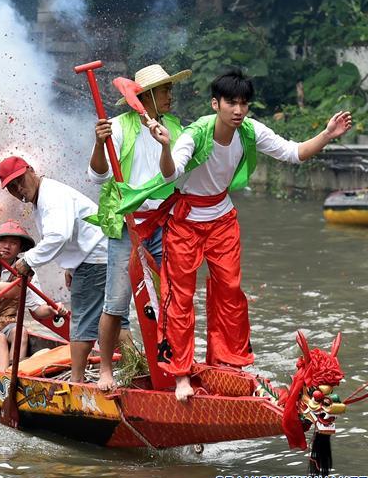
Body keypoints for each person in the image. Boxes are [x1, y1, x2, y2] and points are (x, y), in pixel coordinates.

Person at [138, 68, 353, 402]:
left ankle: (229, 364)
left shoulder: (250, 131)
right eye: (231, 103)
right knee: (179, 297)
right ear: (215, 104)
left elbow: (293, 153)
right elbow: (171, 173)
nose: (238, 110)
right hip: (185, 221)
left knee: (231, 293)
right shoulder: (195, 134)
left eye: (243, 103)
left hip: (223, 219)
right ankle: (180, 374)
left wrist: (326, 135)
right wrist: (165, 147)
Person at [87, 64, 187, 391]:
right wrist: (100, 144)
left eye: (170, 89)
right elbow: (98, 177)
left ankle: (174, 367)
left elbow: (177, 176)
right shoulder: (116, 126)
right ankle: (105, 371)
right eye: (165, 91)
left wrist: (165, 145)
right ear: (146, 97)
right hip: (127, 225)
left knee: (172, 300)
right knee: (115, 302)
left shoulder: (173, 127)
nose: (171, 96)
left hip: (162, 223)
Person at [0, 156, 108, 384]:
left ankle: (76, 383)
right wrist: (71, 266)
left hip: (95, 258)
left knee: (82, 322)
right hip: (95, 256)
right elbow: (70, 232)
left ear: (31, 170)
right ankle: (132, 367)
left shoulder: (50, 196)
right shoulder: (42, 198)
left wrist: (28, 260)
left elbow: (59, 235)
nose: (18, 189)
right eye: (11, 187)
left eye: (19, 180)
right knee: (111, 317)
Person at [0, 219, 69, 360]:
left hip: (6, 321)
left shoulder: (26, 271)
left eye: (13, 243)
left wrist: (52, 309)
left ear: (21, 249)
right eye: (3, 241)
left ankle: (14, 371)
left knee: (20, 333)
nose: (7, 246)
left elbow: (37, 309)